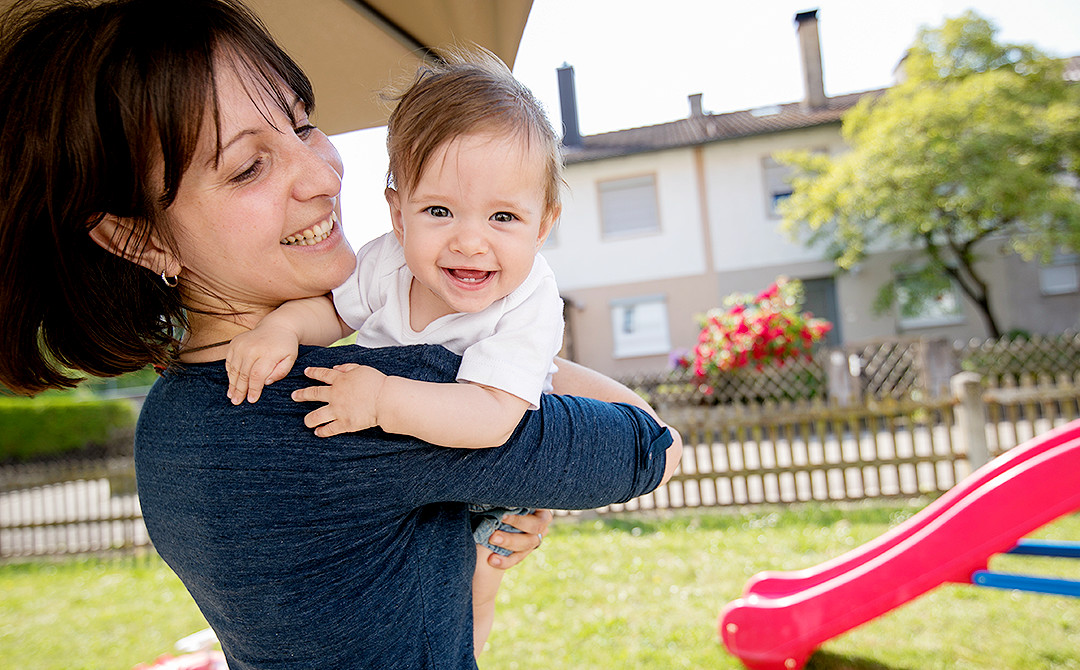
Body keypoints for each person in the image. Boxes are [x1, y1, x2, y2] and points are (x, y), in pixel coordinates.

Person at [0, 1, 683, 669]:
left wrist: (463, 531)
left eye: (303, 124)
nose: (324, 175)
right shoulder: (370, 403)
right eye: (247, 167)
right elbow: (650, 445)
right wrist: (511, 346)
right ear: (137, 236)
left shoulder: (172, 421)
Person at [222, 50, 567, 651]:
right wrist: (280, 328)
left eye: (504, 217)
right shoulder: (386, 262)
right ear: (398, 212)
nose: (469, 240)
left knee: (476, 582)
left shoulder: (529, 297)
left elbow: (492, 416)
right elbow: (331, 312)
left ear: (543, 226)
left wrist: (383, 398)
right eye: (439, 210)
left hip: (485, 478)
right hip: (392, 481)